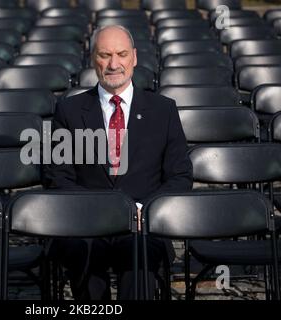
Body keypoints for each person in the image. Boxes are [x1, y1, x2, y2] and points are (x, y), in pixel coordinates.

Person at [43, 25, 193, 300]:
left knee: (140, 251)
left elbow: (180, 176)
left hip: (142, 223)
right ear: (93, 60)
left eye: (121, 54)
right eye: (105, 55)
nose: (113, 64)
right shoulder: (69, 110)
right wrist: (99, 211)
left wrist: (145, 211)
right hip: (87, 223)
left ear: (134, 57)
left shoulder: (164, 110)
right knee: (83, 249)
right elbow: (58, 177)